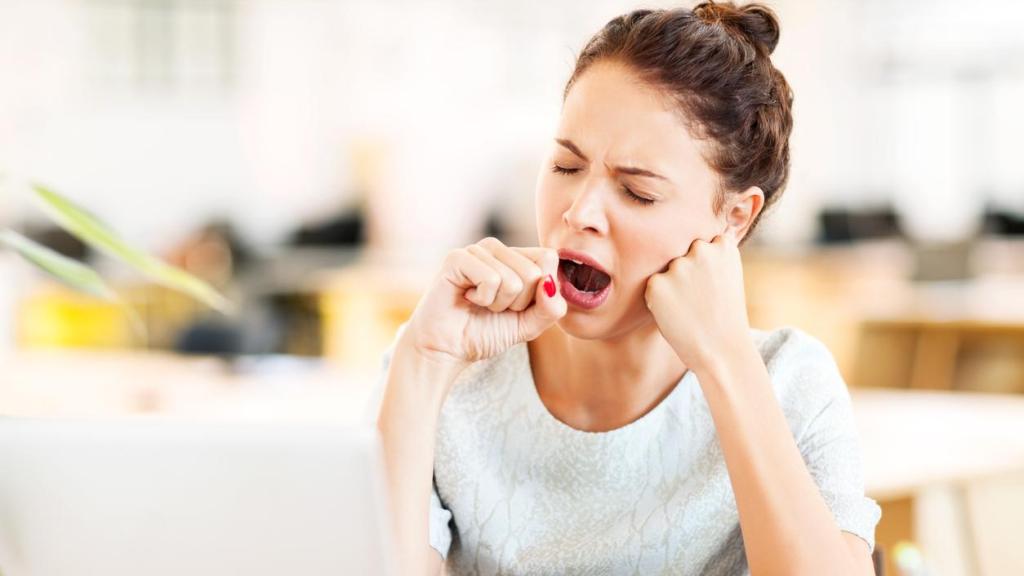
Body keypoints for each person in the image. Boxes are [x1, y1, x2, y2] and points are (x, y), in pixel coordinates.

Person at [373, 2, 881, 574]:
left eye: (637, 192)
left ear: (733, 219)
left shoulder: (790, 381)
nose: (580, 211)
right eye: (566, 167)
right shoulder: (442, 377)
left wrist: (727, 363)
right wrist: (424, 359)